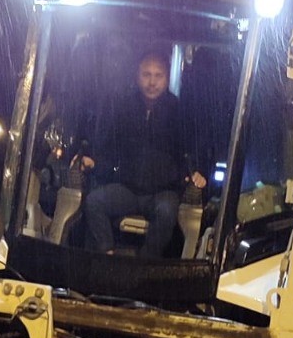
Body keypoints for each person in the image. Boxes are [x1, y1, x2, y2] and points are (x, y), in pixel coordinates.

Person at [81, 48, 205, 256]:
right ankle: (108, 255)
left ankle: (145, 263)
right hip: (127, 189)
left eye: (158, 76)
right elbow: (110, 145)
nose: (152, 82)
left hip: (162, 192)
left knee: (167, 211)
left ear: (167, 77)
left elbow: (191, 147)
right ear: (137, 76)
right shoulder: (125, 107)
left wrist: (197, 171)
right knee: (94, 201)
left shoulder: (178, 110)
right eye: (146, 75)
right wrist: (94, 161)